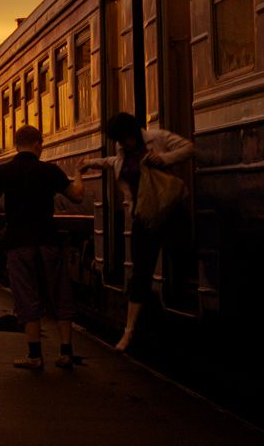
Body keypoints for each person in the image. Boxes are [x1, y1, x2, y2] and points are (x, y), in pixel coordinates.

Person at [0, 125, 84, 370]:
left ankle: (34, 356)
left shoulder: (3, 172)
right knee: (59, 293)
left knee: (26, 297)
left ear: (16, 144)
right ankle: (65, 352)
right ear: (38, 144)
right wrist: (79, 174)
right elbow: (77, 196)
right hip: (48, 241)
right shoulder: (50, 170)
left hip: (19, 244)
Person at [80, 112, 195, 352]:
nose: (123, 143)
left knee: (182, 258)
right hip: (143, 218)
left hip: (170, 212)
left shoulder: (157, 138)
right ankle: (129, 332)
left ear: (134, 132)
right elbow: (114, 162)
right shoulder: (122, 153)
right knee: (141, 273)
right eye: (119, 140)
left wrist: (164, 159)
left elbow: (188, 148)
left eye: (125, 138)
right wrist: (92, 163)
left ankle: (188, 316)